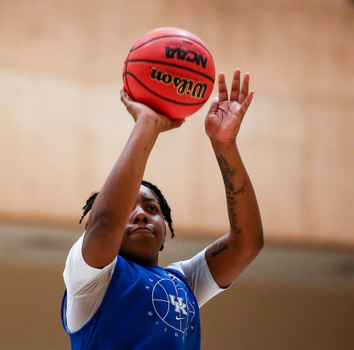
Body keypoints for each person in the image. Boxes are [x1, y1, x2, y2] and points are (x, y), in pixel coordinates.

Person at [61, 69, 264, 349]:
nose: (141, 214)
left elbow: (247, 243)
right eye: (128, 209)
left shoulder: (184, 281)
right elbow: (106, 222)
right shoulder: (89, 277)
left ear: (165, 228)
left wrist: (225, 146)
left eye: (152, 207)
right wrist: (147, 124)